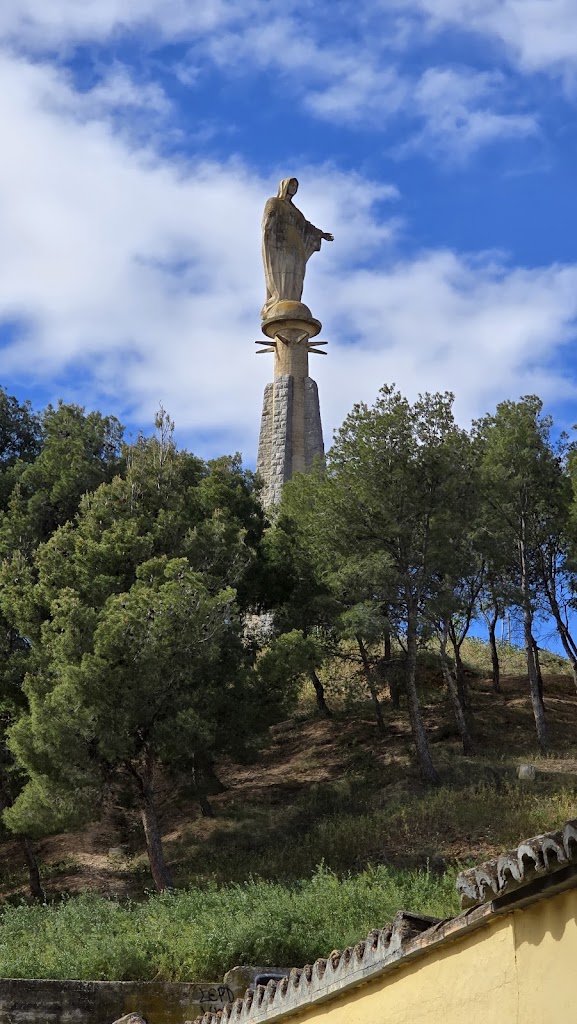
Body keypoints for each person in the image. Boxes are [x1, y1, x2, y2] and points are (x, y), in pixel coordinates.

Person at [261, 178, 333, 320]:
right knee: (282, 270)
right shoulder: (274, 202)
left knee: (296, 273)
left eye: (296, 186)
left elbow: (306, 226)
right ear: (284, 186)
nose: (293, 188)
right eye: (291, 185)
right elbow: (268, 220)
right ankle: (279, 299)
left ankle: (293, 300)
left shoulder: (296, 211)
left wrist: (321, 234)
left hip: (296, 245)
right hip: (281, 243)